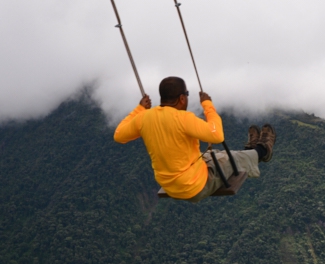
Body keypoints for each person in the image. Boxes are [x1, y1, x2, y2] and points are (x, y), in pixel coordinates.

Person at [114, 76, 275, 202]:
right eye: (187, 94)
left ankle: (250, 151)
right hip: (195, 185)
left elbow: (119, 135)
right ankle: (262, 151)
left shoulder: (144, 118)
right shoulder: (184, 119)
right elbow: (217, 134)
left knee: (218, 154)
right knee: (231, 159)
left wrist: (140, 108)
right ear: (182, 98)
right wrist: (207, 105)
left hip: (169, 185)